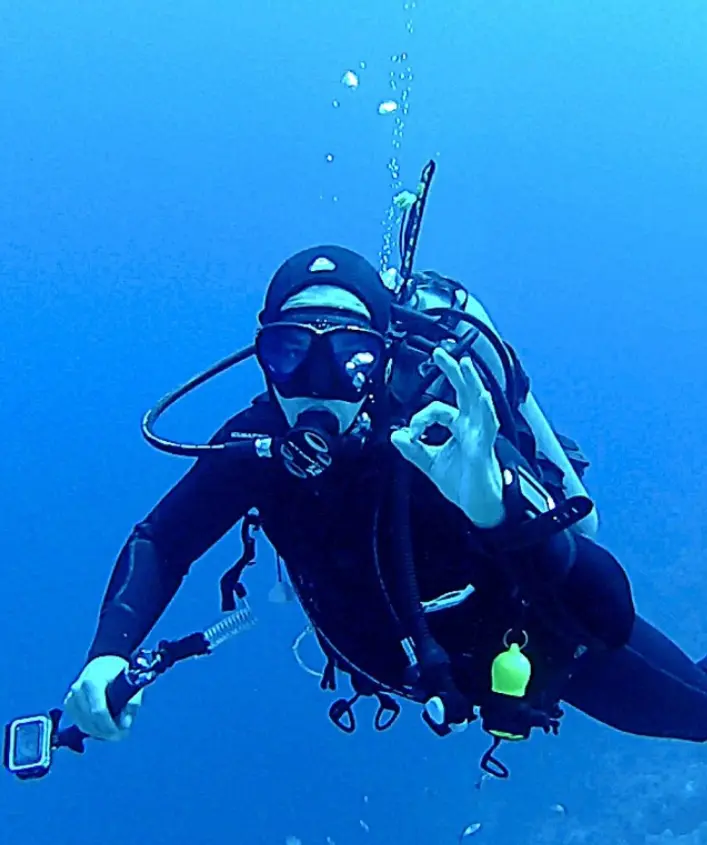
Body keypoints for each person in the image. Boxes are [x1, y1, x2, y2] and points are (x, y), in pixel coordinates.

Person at [64, 245, 707, 773]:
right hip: (416, 671)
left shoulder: (442, 435)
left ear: (381, 358)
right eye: (290, 353)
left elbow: (607, 616)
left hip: (538, 650)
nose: (319, 384)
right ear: (265, 362)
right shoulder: (258, 447)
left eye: (350, 356)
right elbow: (163, 539)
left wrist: (496, 511)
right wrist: (107, 653)